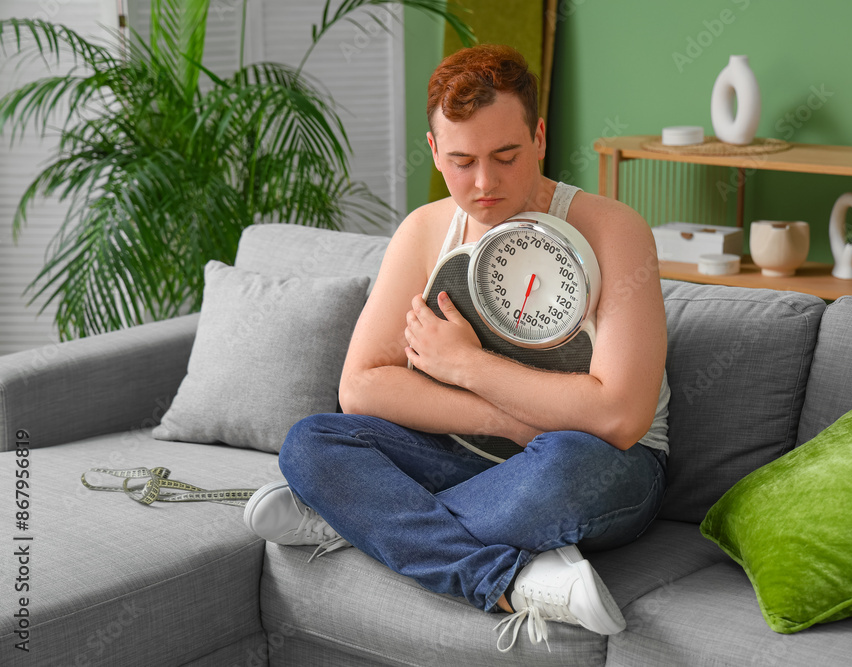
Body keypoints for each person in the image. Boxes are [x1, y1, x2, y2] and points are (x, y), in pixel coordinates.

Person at [243, 43, 670, 653]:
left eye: (506, 156)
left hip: (601, 466)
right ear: (434, 151)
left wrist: (464, 365)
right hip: (465, 452)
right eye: (463, 160)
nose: (485, 183)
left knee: (563, 467)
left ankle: (356, 520)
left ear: (541, 137)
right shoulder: (424, 230)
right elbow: (361, 387)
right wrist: (506, 420)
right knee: (313, 443)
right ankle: (498, 576)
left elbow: (619, 418)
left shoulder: (612, 229)